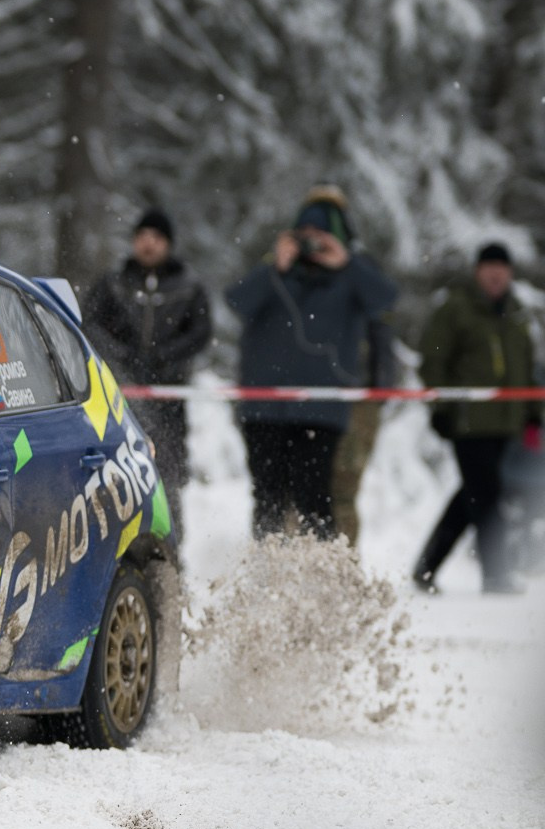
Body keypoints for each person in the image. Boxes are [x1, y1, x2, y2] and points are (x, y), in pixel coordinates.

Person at [224, 190, 399, 539]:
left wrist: (345, 262)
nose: (312, 246)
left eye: (321, 238)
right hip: (264, 409)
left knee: (315, 498)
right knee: (268, 498)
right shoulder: (274, 271)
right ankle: (268, 575)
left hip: (320, 411)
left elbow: (386, 299)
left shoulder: (353, 274)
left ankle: (321, 578)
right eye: (305, 237)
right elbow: (236, 301)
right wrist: (275, 265)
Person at [412, 243, 543, 593]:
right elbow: (433, 360)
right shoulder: (456, 309)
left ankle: (426, 567)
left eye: (502, 267)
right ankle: (495, 575)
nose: (496, 274)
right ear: (478, 271)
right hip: (467, 422)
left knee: (471, 497)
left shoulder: (516, 314)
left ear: (510, 273)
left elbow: (525, 371)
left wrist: (533, 416)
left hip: (505, 423)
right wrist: (440, 408)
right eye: (489, 266)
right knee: (486, 496)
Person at [81, 208, 211, 515]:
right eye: (142, 237)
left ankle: (170, 551)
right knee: (115, 477)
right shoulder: (114, 282)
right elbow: (90, 325)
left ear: (167, 243)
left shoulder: (187, 285)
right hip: (119, 398)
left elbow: (201, 332)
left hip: (169, 399)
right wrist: (122, 358)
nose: (148, 244)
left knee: (167, 478)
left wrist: (166, 358)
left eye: (155, 237)